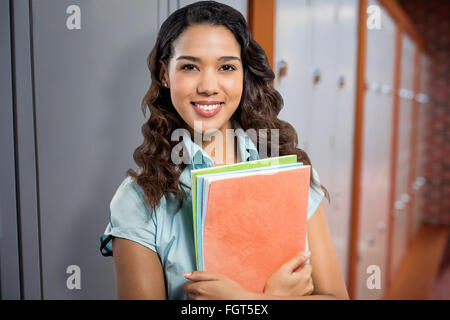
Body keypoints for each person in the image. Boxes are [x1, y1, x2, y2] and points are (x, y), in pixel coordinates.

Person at [100, 0, 349, 300]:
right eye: (190, 66)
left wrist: (249, 302)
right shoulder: (138, 201)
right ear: (165, 74)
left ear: (244, 74)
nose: (208, 86)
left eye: (226, 67)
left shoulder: (289, 170)